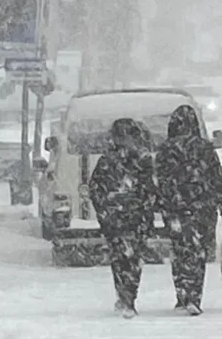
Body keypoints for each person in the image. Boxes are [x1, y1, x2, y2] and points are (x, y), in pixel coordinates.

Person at [156, 104, 222, 316]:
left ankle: (182, 293)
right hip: (203, 208)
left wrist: (160, 204)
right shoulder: (204, 148)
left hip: (175, 209)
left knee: (180, 250)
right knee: (197, 253)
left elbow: (159, 181)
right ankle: (194, 295)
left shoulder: (165, 149)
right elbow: (216, 178)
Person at [88, 118, 157, 319]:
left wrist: (105, 209)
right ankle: (128, 296)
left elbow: (95, 188)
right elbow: (151, 189)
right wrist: (145, 208)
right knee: (131, 259)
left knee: (121, 259)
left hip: (117, 219)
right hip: (133, 219)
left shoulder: (107, 160)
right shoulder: (141, 160)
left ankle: (125, 296)